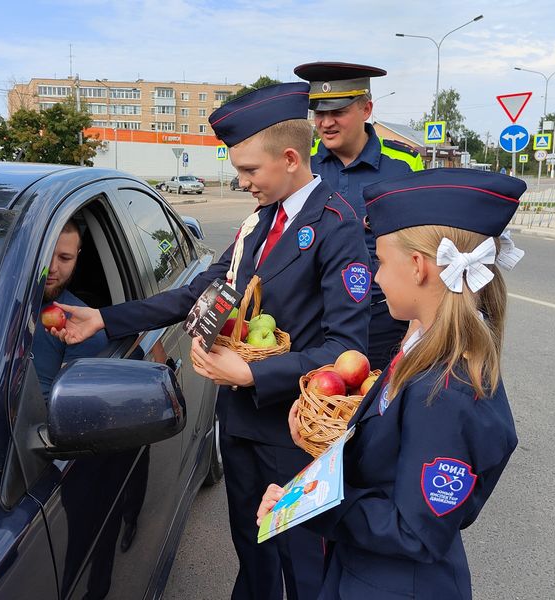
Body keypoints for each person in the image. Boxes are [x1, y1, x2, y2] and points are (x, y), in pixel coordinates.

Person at [50, 82, 372, 600]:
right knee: (251, 548)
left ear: (290, 158)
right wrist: (105, 320)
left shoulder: (336, 227)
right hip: (240, 423)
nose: (241, 181)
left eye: (248, 171)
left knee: (302, 564)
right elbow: (200, 293)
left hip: (292, 433)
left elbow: (345, 348)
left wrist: (252, 373)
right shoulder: (259, 222)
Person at [258, 168, 527, 599]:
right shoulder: (424, 348)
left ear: (418, 268)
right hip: (371, 573)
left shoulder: (446, 388)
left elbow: (416, 532)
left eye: (381, 262)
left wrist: (311, 507)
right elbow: (391, 454)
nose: (376, 277)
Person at [294, 62, 424, 371]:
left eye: (337, 112)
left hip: (384, 322)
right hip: (315, 321)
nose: (325, 123)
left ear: (366, 109)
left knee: (378, 411)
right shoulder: (301, 165)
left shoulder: (404, 165)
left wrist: (416, 325)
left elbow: (423, 246)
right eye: (319, 113)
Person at [32, 219, 108, 399]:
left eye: (65, 258)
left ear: (77, 256)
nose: (51, 268)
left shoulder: (82, 329)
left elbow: (68, 406)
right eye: (44, 254)